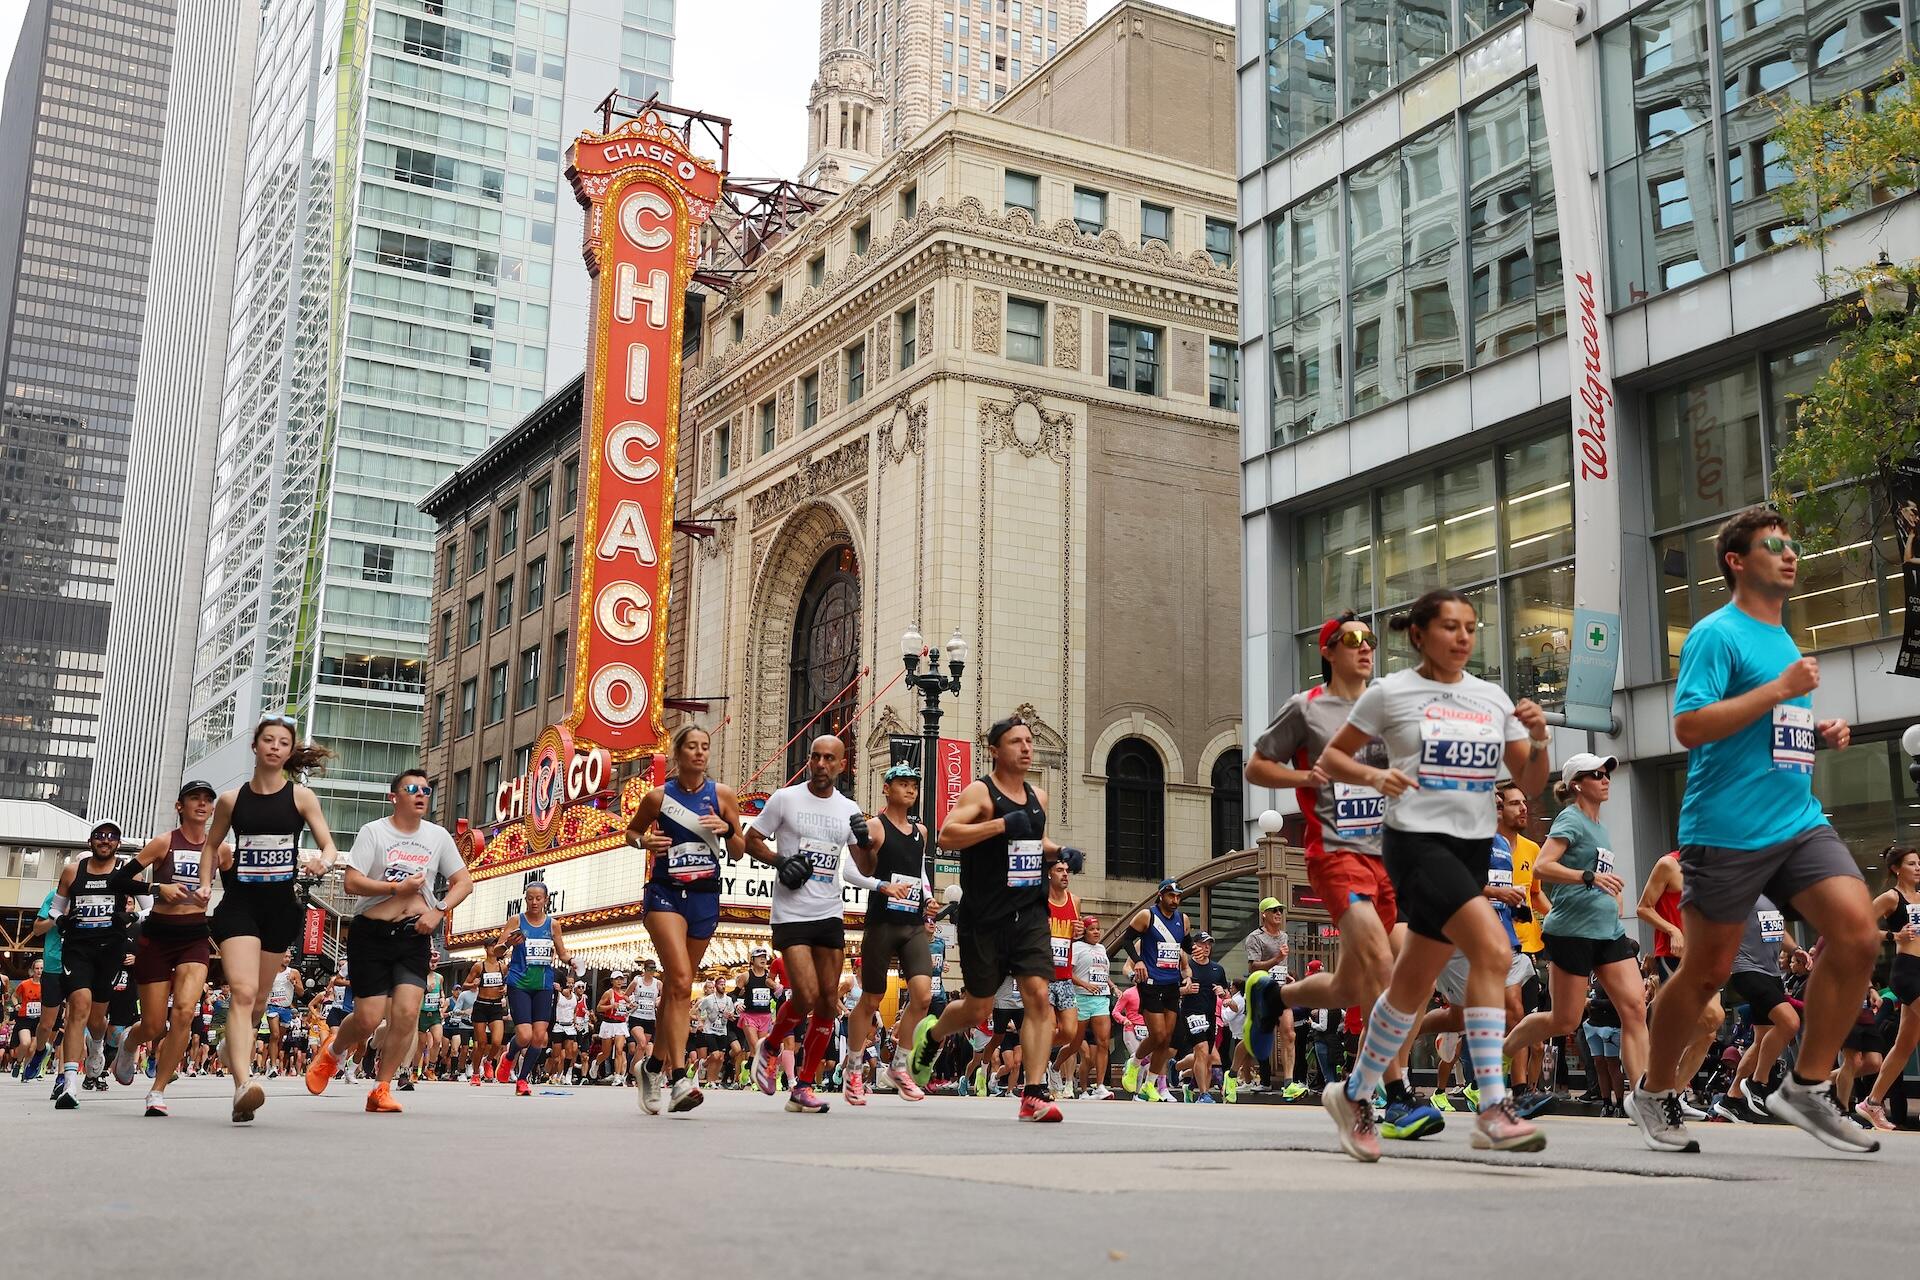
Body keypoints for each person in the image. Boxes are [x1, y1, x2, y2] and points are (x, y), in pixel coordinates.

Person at [1631, 507, 1880, 1154]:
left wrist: (1816, 735)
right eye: (1774, 546)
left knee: (1857, 934)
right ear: (1737, 562)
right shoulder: (1717, 634)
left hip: (1797, 819)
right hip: (1727, 828)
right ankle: (1655, 1090)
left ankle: (1805, 1086)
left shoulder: (1785, 642)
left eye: (1792, 546)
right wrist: (1779, 691)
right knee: (1706, 972)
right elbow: (1689, 728)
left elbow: (1766, 733)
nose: (1790, 555)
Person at [1318, 588, 1553, 1160]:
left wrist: (1540, 737)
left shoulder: (1491, 698)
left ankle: (1354, 1094)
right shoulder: (1390, 693)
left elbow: (1534, 779)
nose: (1463, 637)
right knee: (1494, 952)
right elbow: (1333, 759)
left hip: (1471, 847)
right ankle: (1493, 1106)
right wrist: (1377, 780)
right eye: (1450, 627)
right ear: (1419, 635)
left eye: (1470, 627)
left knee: (1410, 987)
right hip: (1416, 843)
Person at [1245, 614, 1422, 1120]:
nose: (1366, 646)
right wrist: (1305, 774)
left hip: (1384, 858)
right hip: (1336, 855)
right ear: (1328, 651)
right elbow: (1256, 766)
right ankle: (1396, 1096)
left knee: (1356, 985)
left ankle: (1274, 995)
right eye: (1353, 639)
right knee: (1383, 969)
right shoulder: (1307, 709)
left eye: (1370, 638)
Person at [906, 715, 1083, 1122]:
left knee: (1038, 995)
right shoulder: (980, 793)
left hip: (1030, 912)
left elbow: (1034, 841)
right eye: (1016, 741)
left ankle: (1034, 1093)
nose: (1026, 748)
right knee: (977, 1008)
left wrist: (1060, 852)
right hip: (985, 918)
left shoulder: (1039, 795)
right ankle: (931, 1036)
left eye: (1029, 741)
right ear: (995, 750)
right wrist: (1001, 823)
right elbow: (947, 835)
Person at [307, 768, 470, 1112]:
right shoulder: (374, 832)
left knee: (408, 1013)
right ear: (394, 796)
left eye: (426, 790)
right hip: (372, 934)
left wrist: (438, 911)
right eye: (412, 789)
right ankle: (334, 1052)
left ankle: (382, 1088)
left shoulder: (438, 836)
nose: (421, 794)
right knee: (367, 1018)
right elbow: (352, 882)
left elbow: (463, 882)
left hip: (414, 934)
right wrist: (397, 888)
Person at [200, 716, 339, 1122]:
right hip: (240, 907)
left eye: (283, 742)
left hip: (280, 910)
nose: (275, 747)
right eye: (268, 740)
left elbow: (329, 845)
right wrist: (207, 884)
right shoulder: (231, 800)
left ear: (290, 751)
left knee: (258, 1002)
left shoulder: (300, 798)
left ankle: (232, 1049)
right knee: (242, 993)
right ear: (256, 747)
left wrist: (322, 862)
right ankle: (243, 1086)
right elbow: (211, 847)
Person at [1502, 755, 1647, 1113]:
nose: (1605, 779)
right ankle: (1498, 1053)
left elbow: (1601, 872)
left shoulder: (1602, 828)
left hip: (1607, 932)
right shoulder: (1570, 818)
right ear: (1577, 784)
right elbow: (1542, 866)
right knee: (1565, 1020)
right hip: (1571, 932)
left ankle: (1646, 1099)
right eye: (1597, 775)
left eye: (1607, 774)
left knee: (1634, 1009)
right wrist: (1588, 877)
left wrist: (1613, 894)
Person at [625, 724, 746, 1113]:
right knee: (678, 979)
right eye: (691, 747)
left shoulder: (722, 795)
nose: (699, 753)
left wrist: (727, 829)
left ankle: (651, 1066)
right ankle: (678, 1078)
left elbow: (740, 850)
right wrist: (644, 841)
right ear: (678, 753)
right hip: (664, 894)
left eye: (705, 746)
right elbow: (630, 832)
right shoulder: (659, 796)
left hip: (704, 896)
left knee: (679, 990)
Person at [745, 735, 863, 1115]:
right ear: (809, 761)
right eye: (816, 757)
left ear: (842, 765)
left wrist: (866, 842)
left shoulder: (849, 809)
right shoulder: (785, 798)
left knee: (829, 1000)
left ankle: (805, 1086)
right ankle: (773, 1044)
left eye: (830, 758)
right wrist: (780, 862)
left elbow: (867, 866)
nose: (822, 764)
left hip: (829, 911)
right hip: (791, 912)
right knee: (807, 994)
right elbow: (751, 840)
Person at [111, 781, 227, 1115]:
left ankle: (157, 1091)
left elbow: (236, 892)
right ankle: (130, 1042)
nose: (202, 804)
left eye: (208, 800)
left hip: (194, 937)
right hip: (158, 937)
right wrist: (156, 887)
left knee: (185, 1013)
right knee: (154, 1025)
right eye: (195, 799)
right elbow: (118, 880)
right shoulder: (165, 842)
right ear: (180, 806)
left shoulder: (221, 850)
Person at [840, 761, 935, 1103]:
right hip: (882, 922)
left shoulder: (920, 832)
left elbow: (919, 871)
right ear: (887, 788)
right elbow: (849, 871)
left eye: (914, 784)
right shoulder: (875, 827)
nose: (910, 789)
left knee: (923, 995)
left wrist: (928, 897)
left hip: (911, 924)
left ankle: (899, 1065)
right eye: (903, 783)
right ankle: (852, 1070)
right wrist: (881, 885)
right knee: (871, 998)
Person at [47, 821, 142, 1109]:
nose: (105, 841)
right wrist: (61, 921)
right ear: (90, 842)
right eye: (100, 836)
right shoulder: (73, 870)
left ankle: (97, 1046)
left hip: (109, 951)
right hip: (78, 949)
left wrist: (129, 919)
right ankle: (70, 1085)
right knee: (79, 1005)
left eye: (111, 837)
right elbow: (55, 907)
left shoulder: (126, 871)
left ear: (118, 843)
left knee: (97, 1019)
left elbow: (149, 907)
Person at [1634, 851, 1721, 1114]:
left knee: (1709, 1032)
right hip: (1674, 957)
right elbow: (1643, 907)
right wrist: (1672, 929)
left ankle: (1669, 1096)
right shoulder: (1668, 865)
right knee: (1711, 1017)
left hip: (1705, 958)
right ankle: (1652, 1084)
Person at [1713, 894, 1804, 1123]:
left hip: (1771, 974)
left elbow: (1777, 931)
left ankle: (1732, 1098)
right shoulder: (1740, 890)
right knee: (1790, 1022)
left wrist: (1795, 949)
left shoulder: (1770, 898)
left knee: (1761, 1039)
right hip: (1748, 971)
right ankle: (1757, 1083)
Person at [1857, 846, 1920, 1129]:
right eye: (1911, 863)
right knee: (1904, 1044)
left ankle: (1871, 1103)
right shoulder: (1891, 898)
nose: (1918, 867)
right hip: (1907, 972)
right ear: (1896, 868)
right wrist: (1893, 935)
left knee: (1904, 1045)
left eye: (1919, 863)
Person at [498, 880, 571, 1099]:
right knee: (525, 1035)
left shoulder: (553, 925)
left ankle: (522, 1079)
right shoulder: (516, 920)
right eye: (530, 898)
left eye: (539, 898)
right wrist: (510, 942)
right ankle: (509, 1055)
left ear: (546, 900)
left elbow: (563, 952)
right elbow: (498, 950)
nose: (534, 902)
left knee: (539, 1037)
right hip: (519, 982)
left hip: (543, 985)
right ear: (525, 900)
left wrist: (573, 961)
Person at [1119, 879, 1190, 1103]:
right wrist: (1138, 961)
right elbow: (1126, 940)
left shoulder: (1183, 920)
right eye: (1171, 896)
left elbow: (1186, 946)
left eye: (1178, 896)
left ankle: (1149, 1085)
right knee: (1158, 1034)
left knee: (1166, 1039)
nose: (1175, 900)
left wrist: (1191, 961)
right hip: (1150, 982)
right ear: (1161, 895)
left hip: (1172, 983)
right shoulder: (1147, 916)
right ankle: (1134, 1061)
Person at [1239, 898, 1304, 1098]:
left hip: (1280, 990)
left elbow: (1280, 965)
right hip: (1259, 990)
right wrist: (1276, 959)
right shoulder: (1254, 937)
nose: (1278, 913)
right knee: (1256, 1038)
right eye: (1274, 910)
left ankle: (1288, 1083)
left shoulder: (1284, 936)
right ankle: (1234, 1073)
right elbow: (1253, 967)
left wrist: (1286, 976)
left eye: (1280, 910)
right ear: (1264, 914)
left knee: (1289, 1034)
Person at [1175, 933, 1229, 1102]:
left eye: (1209, 944)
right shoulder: (1186, 966)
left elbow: (1225, 992)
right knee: (1202, 1050)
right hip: (1191, 1012)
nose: (1206, 947)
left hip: (1210, 1015)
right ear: (1193, 946)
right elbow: (1172, 990)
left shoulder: (1217, 969)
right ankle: (1204, 1093)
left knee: (1205, 1057)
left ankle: (1179, 1072)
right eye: (1202, 944)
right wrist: (1185, 991)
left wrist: (1222, 993)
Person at [1063, 916, 1113, 1098]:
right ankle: (1074, 1085)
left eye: (1098, 929)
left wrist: (1113, 986)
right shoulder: (1076, 947)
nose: (1096, 932)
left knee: (1103, 1043)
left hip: (1100, 998)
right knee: (1075, 1043)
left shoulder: (1102, 948)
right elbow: (1067, 972)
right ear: (1084, 931)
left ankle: (1099, 1086)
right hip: (1081, 998)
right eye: (1092, 929)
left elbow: (1101, 972)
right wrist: (1085, 985)